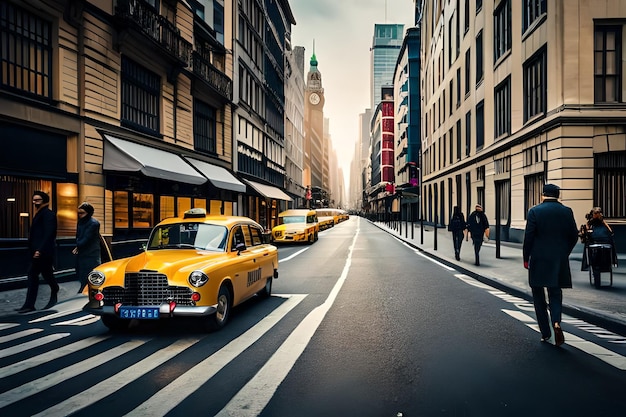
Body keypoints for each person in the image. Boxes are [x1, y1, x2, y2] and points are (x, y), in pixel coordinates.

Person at [523, 184, 578, 346]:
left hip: (539, 259)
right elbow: (574, 235)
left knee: (538, 296)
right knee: (555, 292)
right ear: (557, 195)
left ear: (543, 195)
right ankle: (556, 322)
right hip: (558, 259)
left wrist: (527, 258)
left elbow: (529, 237)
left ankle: (546, 334)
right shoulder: (567, 211)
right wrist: (564, 253)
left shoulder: (534, 211)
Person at [16, 191, 59, 313]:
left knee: (32, 275)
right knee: (46, 274)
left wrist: (39, 250)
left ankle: (29, 305)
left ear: (44, 201)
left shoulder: (48, 214)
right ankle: (54, 287)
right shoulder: (39, 213)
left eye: (37, 200)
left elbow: (48, 234)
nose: (34, 202)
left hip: (43, 252)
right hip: (36, 251)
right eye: (34, 200)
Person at [579, 207, 617, 287]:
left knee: (589, 248)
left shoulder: (590, 224)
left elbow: (585, 234)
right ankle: (610, 263)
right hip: (605, 244)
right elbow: (611, 232)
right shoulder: (603, 223)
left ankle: (590, 265)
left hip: (595, 243)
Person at [73, 202, 101, 294]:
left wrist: (78, 244)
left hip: (91, 253)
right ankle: (84, 290)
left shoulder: (94, 223)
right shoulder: (81, 222)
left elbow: (86, 238)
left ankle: (86, 292)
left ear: (88, 213)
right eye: (79, 213)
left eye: (82, 213)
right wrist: (78, 245)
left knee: (90, 274)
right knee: (81, 272)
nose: (80, 215)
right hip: (83, 252)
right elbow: (78, 235)